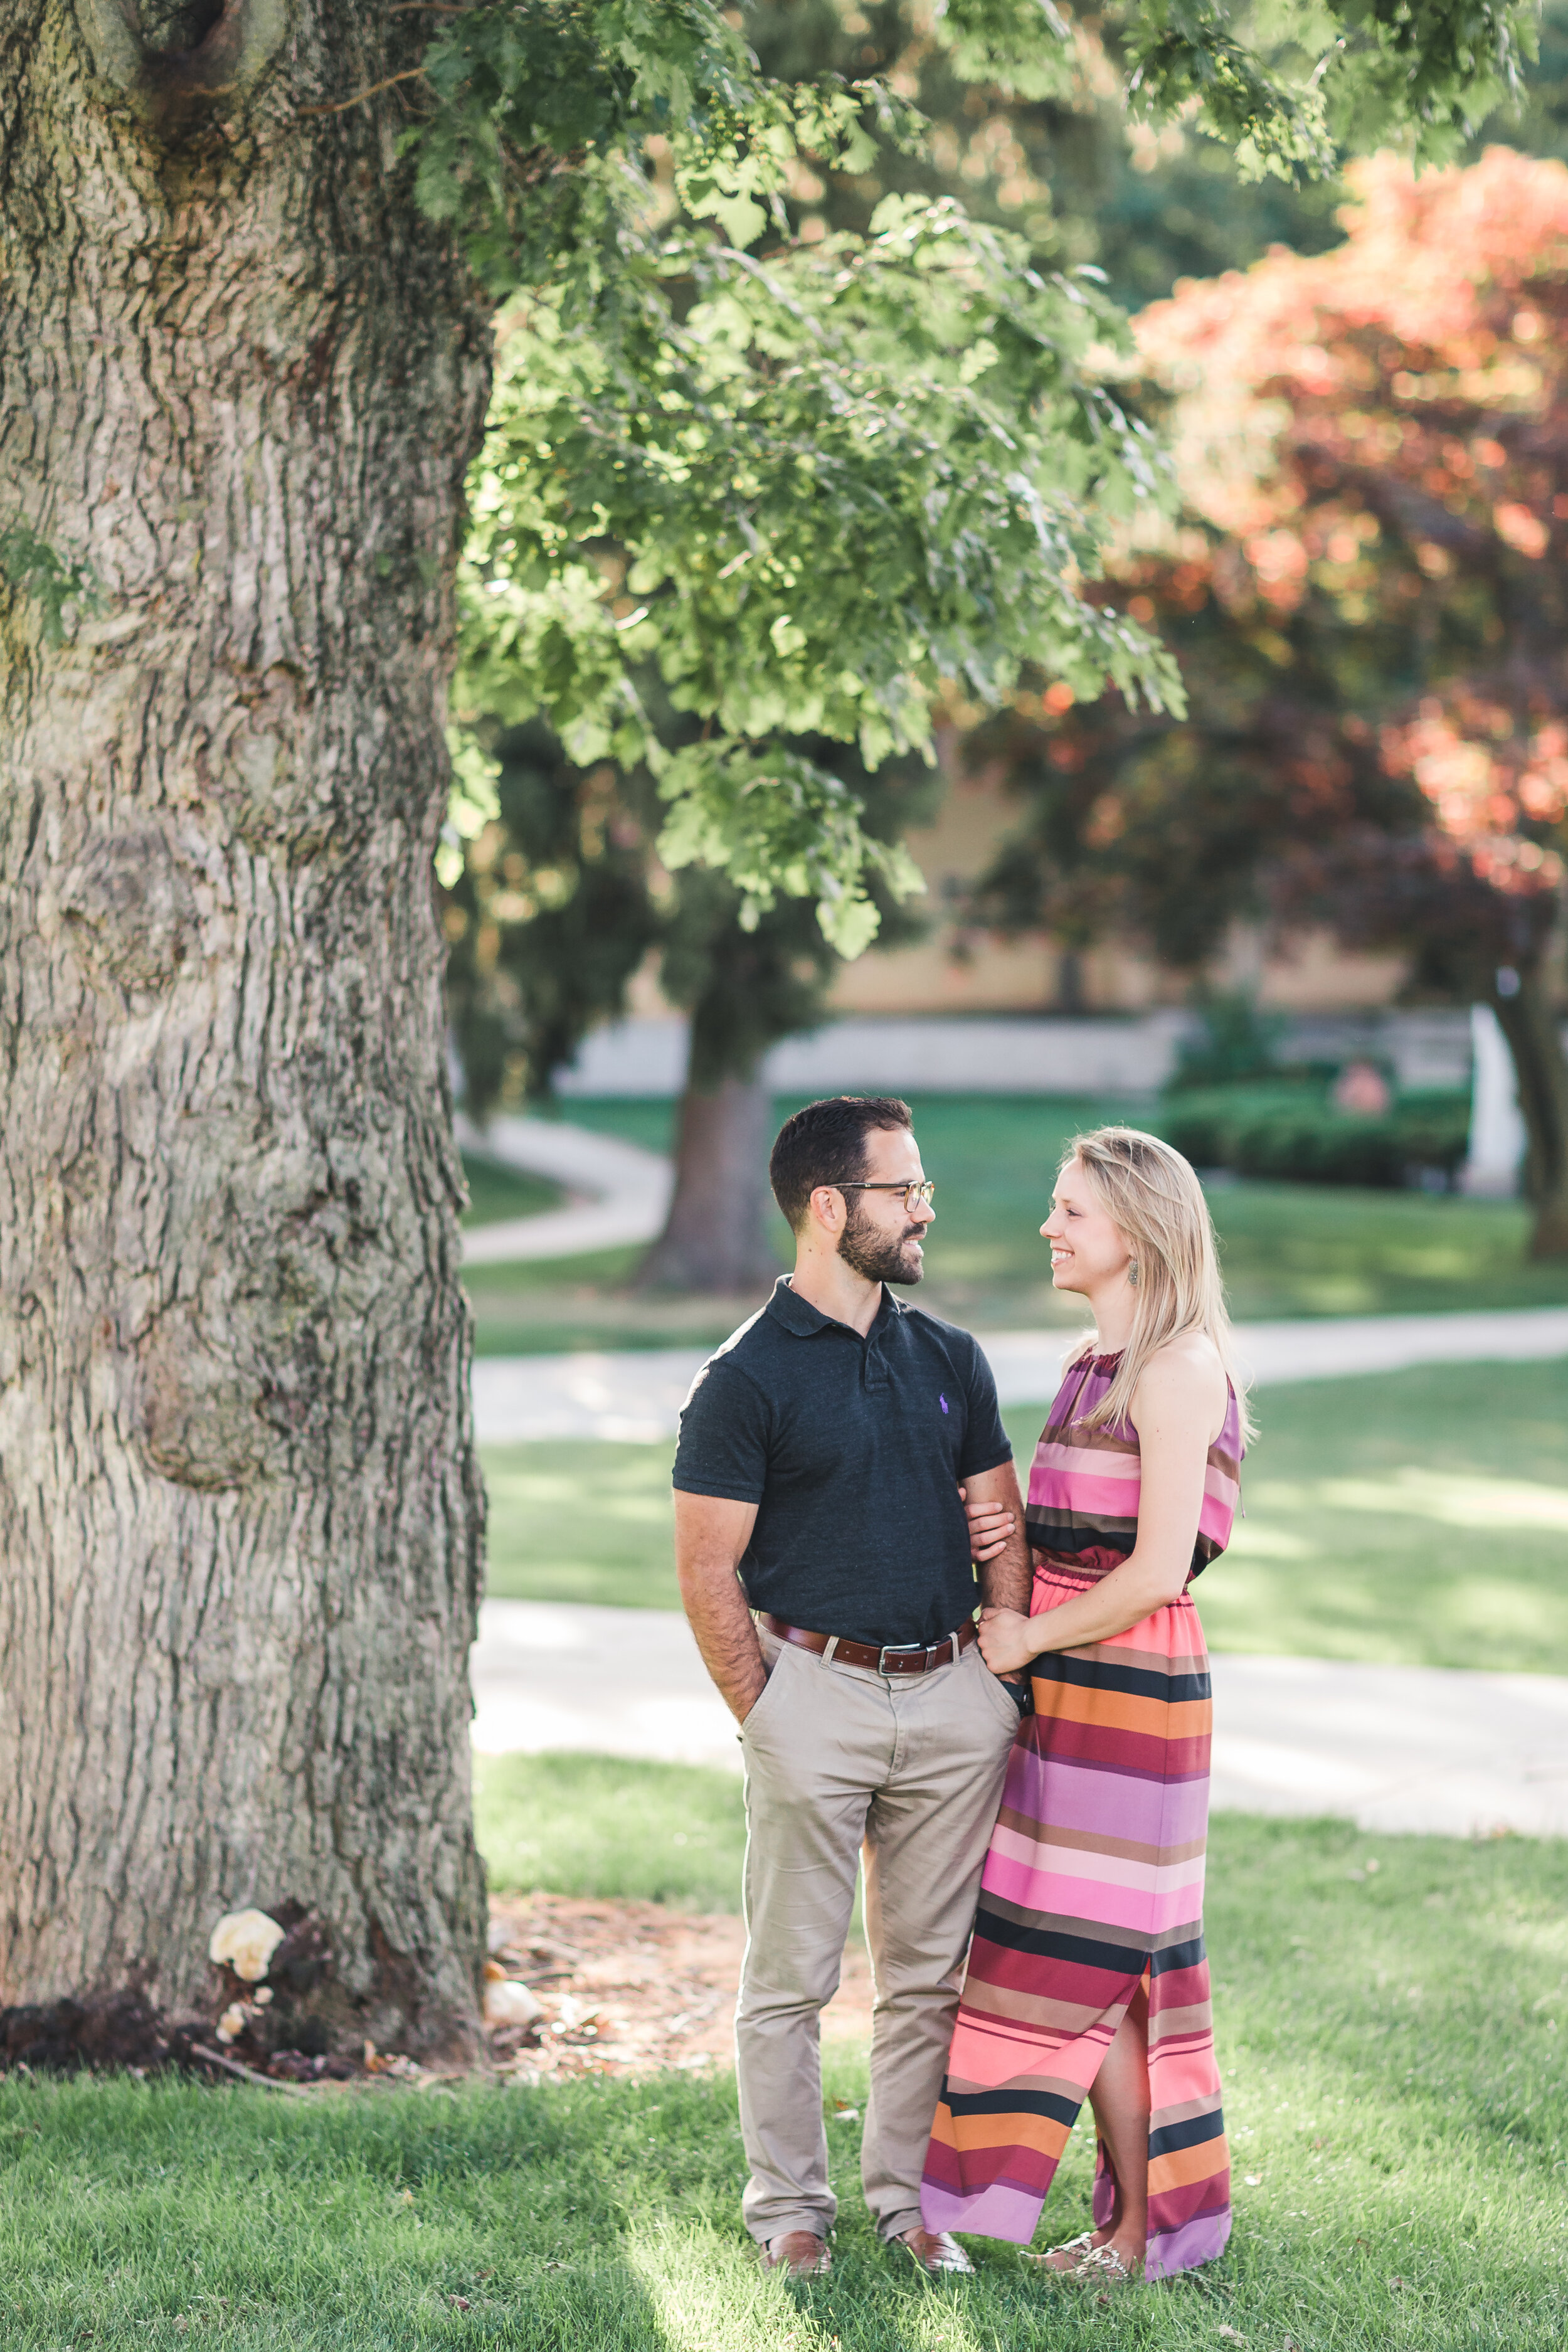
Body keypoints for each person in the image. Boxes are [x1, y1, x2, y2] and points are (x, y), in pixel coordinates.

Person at [672, 1096, 1031, 2280]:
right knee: (789, 1980)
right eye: (903, 1190)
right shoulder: (743, 1378)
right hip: (811, 1694)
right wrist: (768, 1712)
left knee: (927, 1977)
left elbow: (1002, 1523)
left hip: (950, 1698)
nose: (926, 1208)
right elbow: (706, 1570)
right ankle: (790, 2211)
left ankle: (906, 2204)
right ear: (829, 1208)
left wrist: (995, 1660)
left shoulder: (950, 1356)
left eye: (923, 1188)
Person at [921, 1126, 1251, 2283]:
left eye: (1072, 1210)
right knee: (1061, 1954)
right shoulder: (1087, 1364)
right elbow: (1058, 1539)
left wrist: (1028, 1634)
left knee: (1106, 1961)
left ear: (1140, 1230)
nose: (1050, 1226)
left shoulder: (1178, 1368)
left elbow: (1158, 1567)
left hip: (1132, 1695)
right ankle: (1130, 2220)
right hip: (1063, 1684)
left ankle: (1138, 2233)